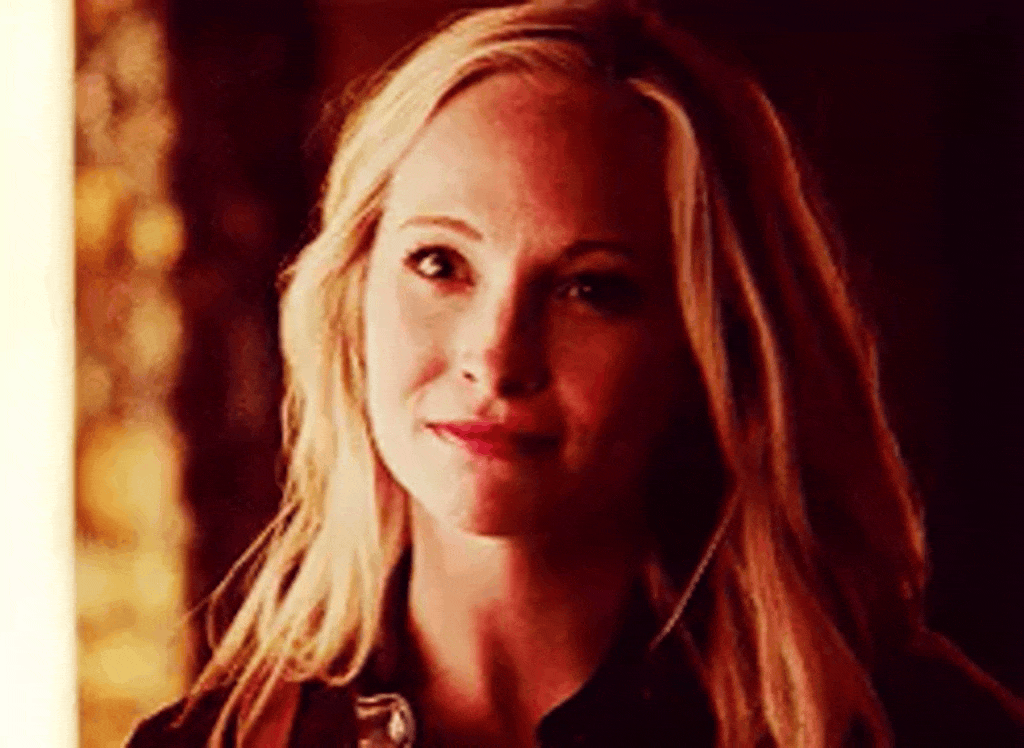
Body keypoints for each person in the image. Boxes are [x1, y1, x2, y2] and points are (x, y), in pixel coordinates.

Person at [126, 1, 1024, 746]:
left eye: (591, 288)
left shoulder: (912, 726)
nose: (495, 356)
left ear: (710, 346)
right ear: (351, 293)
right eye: (440, 264)